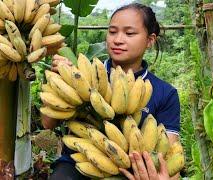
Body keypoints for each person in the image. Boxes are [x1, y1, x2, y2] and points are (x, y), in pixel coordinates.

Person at [43, 3, 181, 180]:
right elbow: (48, 123)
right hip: (78, 165)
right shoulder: (85, 77)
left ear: (150, 40)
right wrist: (60, 80)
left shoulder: (164, 92)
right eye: (112, 31)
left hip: (134, 172)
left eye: (129, 33)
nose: (118, 40)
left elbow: (167, 152)